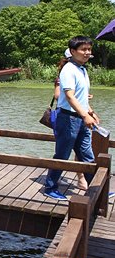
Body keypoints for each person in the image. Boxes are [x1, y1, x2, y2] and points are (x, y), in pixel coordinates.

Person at [43, 36, 99, 201]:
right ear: (73, 51)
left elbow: (81, 97)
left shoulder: (82, 69)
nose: (87, 52)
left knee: (87, 155)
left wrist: (90, 111)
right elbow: (69, 96)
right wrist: (84, 115)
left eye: (89, 49)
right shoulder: (68, 69)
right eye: (83, 49)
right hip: (68, 118)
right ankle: (50, 187)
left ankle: (96, 188)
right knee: (62, 154)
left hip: (81, 118)